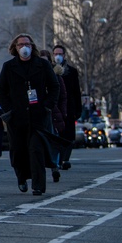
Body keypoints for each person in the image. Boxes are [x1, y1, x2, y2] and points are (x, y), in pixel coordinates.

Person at [0, 33, 60, 196]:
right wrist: (9, 109)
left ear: (32, 47)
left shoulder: (42, 65)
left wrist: (47, 106)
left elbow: (54, 87)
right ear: (15, 48)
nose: (24, 47)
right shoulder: (9, 67)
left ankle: (38, 185)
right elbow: (1, 91)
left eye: (27, 44)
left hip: (38, 116)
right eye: (20, 45)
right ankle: (22, 177)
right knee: (18, 151)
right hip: (16, 117)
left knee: (36, 150)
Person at [38, 49, 67, 184]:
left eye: (46, 60)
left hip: (53, 114)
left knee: (53, 141)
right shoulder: (34, 75)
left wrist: (62, 113)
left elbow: (62, 97)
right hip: (38, 113)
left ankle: (54, 166)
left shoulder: (55, 76)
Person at [51, 45, 82, 170]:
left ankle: (65, 159)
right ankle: (58, 159)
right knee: (57, 135)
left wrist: (78, 110)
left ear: (64, 55)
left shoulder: (72, 71)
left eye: (60, 53)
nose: (57, 56)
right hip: (55, 108)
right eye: (55, 53)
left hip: (69, 109)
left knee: (68, 137)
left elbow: (76, 92)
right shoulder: (49, 70)